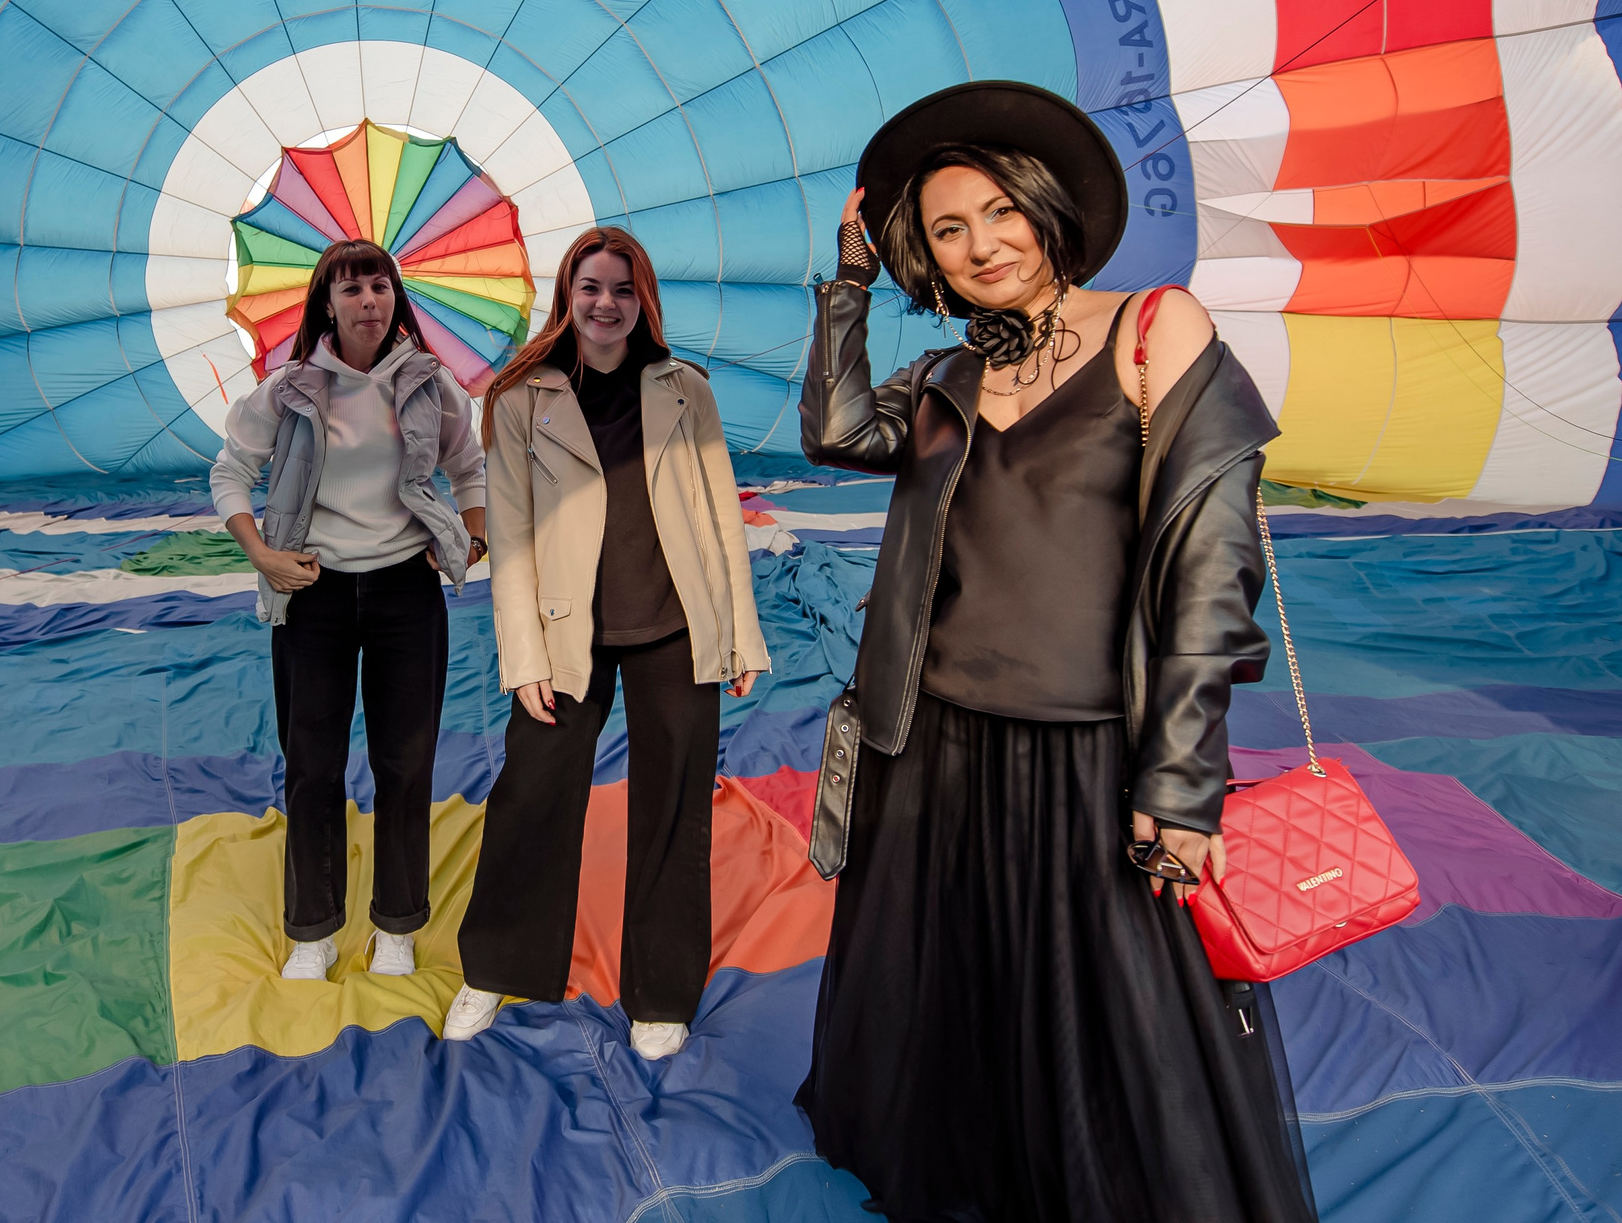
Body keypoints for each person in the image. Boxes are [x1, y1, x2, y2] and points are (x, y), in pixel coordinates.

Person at [797, 81, 1317, 1223]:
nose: (980, 244)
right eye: (945, 228)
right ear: (922, 258)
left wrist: (1180, 782)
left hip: (1092, 749)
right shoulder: (942, 378)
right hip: (933, 740)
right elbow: (835, 432)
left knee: (1113, 1030)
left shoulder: (1154, 328)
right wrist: (848, 283)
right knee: (963, 999)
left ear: (1042, 208)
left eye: (997, 211)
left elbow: (1211, 569)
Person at [443, 227, 768, 1060]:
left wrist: (740, 635)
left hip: (674, 623)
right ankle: (496, 965)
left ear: (643, 300)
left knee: (674, 806)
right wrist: (524, 660)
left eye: (623, 288)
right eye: (591, 286)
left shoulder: (684, 389)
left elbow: (720, 515)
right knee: (534, 793)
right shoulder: (522, 400)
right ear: (567, 295)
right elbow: (509, 540)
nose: (606, 303)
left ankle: (660, 992)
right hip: (565, 631)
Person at [212, 239, 487, 981]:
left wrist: (476, 532)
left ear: (396, 298)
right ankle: (314, 928)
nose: (369, 300)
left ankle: (396, 924)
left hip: (405, 592)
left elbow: (471, 465)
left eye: (380, 286)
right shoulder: (290, 387)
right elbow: (231, 470)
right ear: (326, 303)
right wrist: (260, 553)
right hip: (314, 593)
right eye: (352, 288)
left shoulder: (431, 383)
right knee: (312, 765)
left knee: (405, 761)